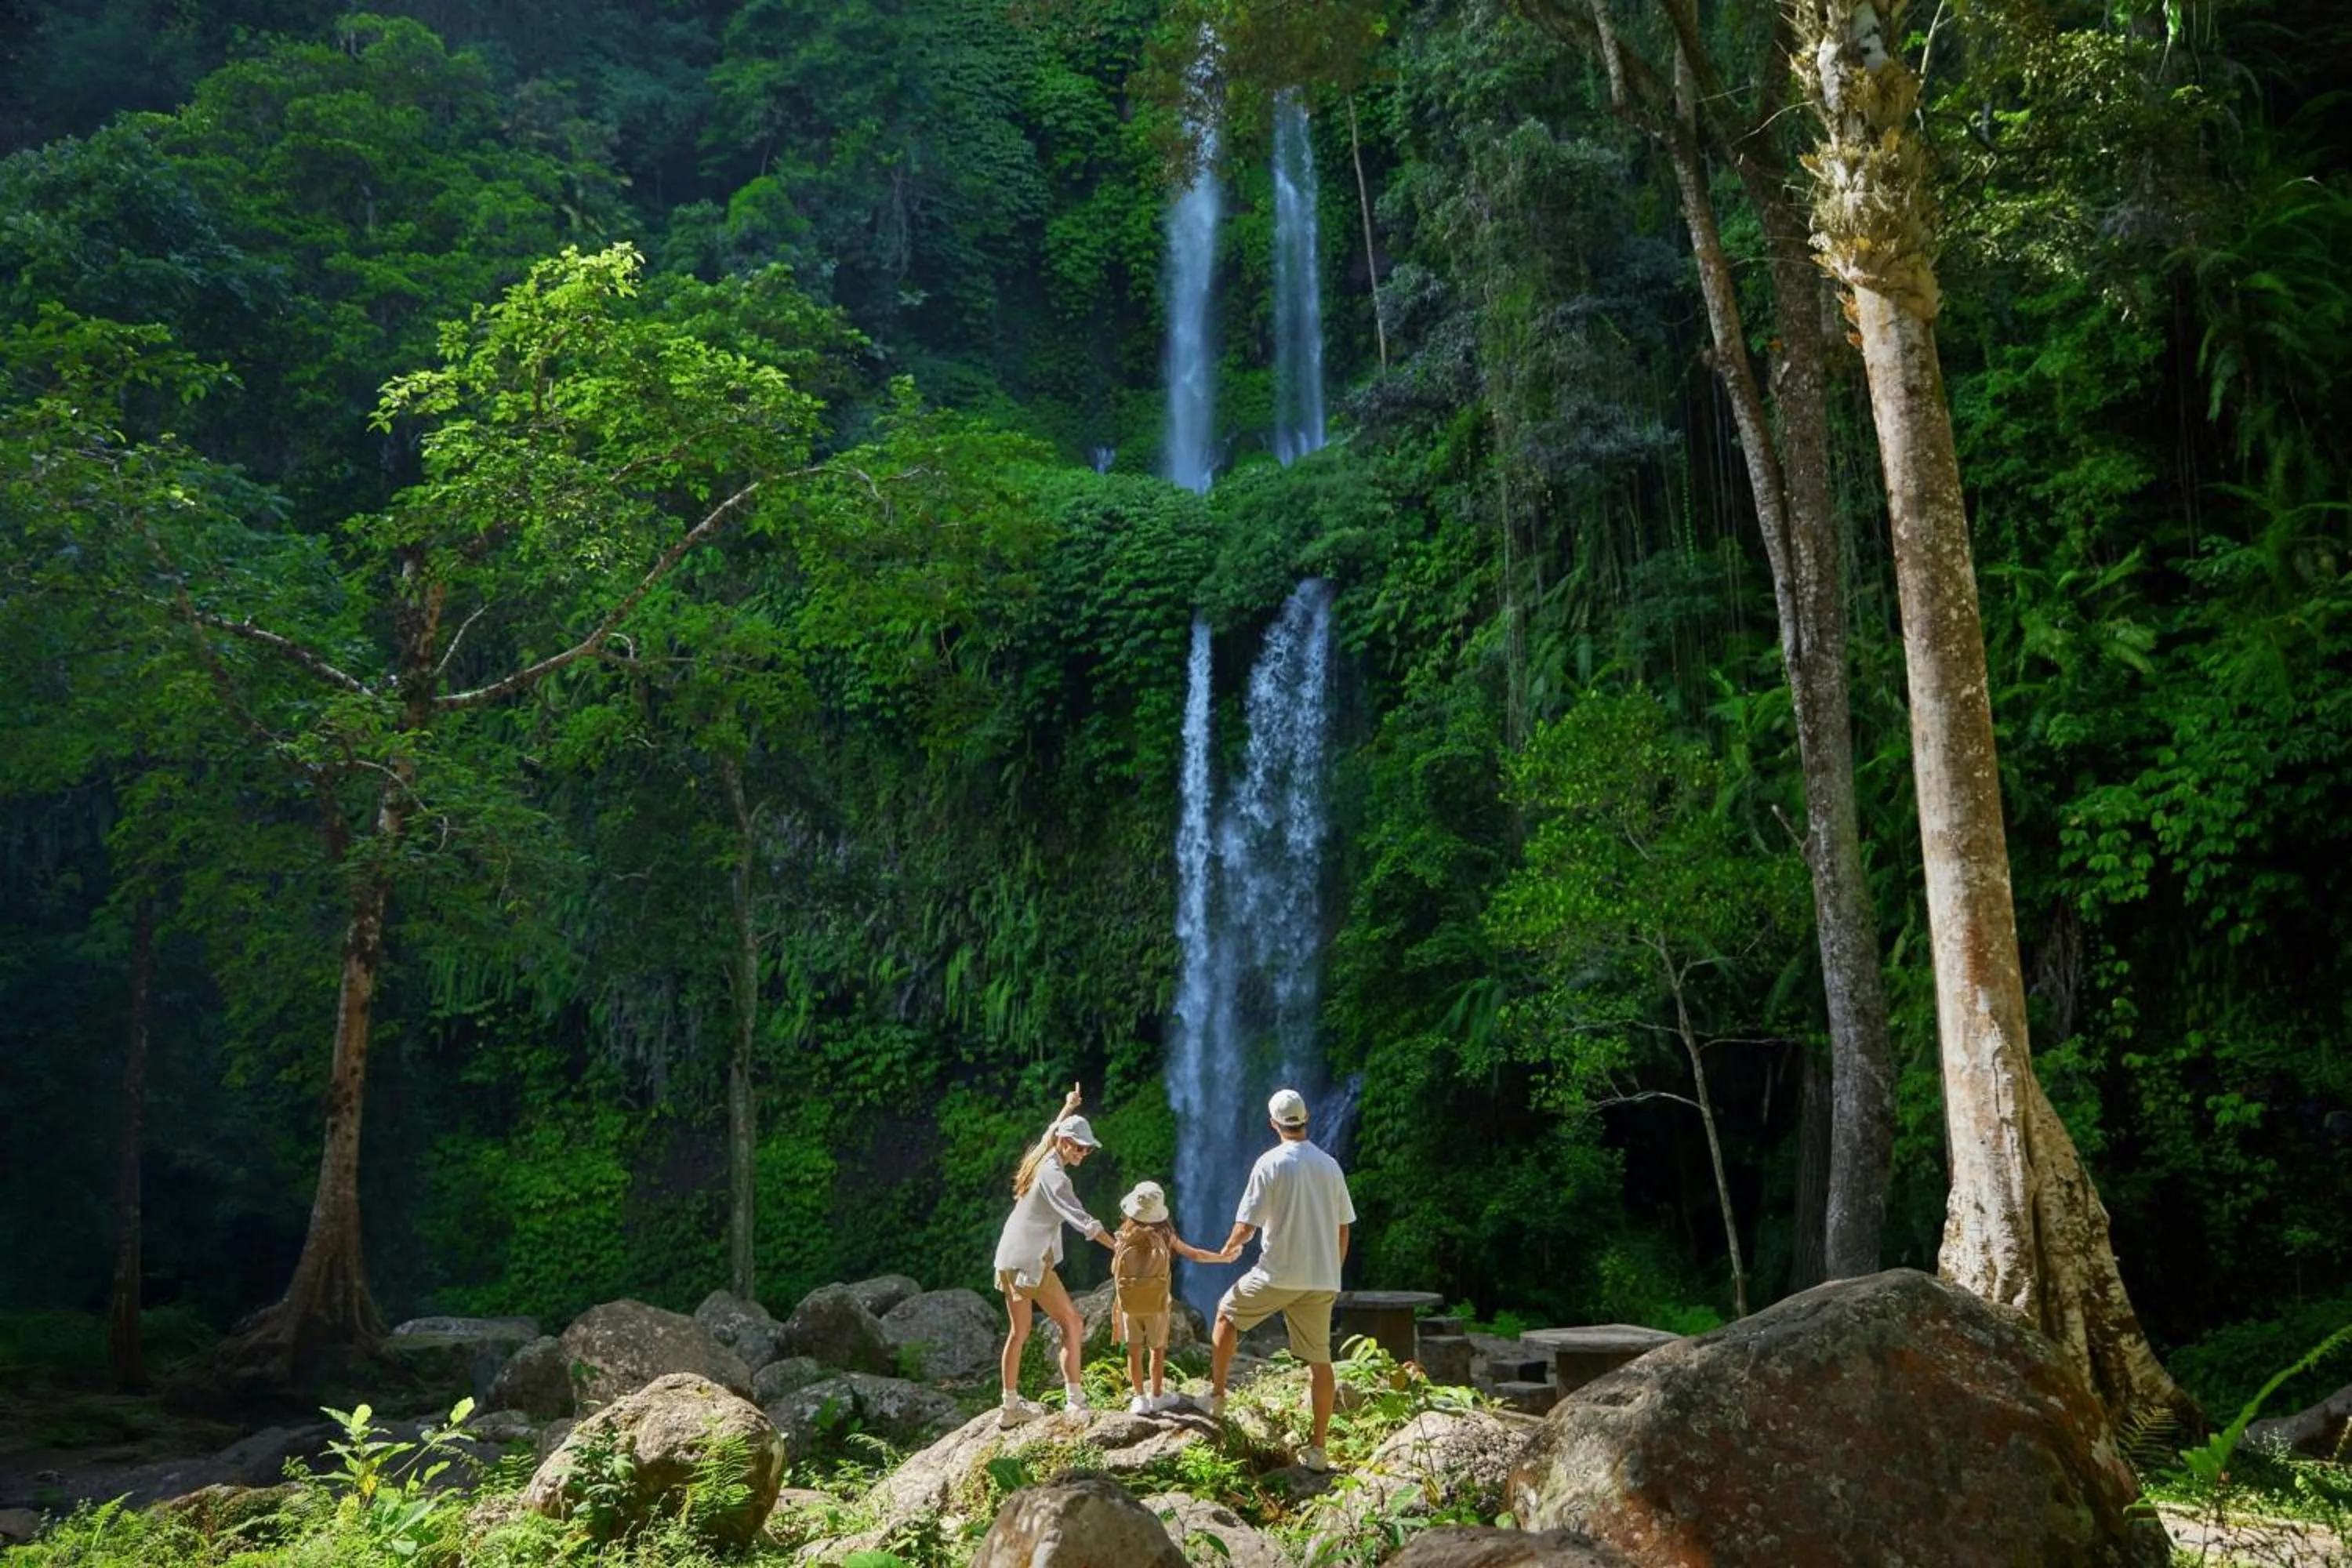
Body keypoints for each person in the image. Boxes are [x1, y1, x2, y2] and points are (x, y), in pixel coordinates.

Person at [1206, 1087, 1356, 1472]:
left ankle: (1217, 1399)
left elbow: (1247, 1224)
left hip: (1278, 1274)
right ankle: (1319, 1450)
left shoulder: (1270, 1163)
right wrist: (1332, 1271)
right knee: (1320, 1362)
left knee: (1226, 1315)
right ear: (1306, 1120)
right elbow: (1344, 1229)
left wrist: (1229, 1249)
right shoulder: (1330, 1165)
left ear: (1274, 1123)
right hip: (1321, 1278)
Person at [993, 1082, 1115, 1426]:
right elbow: (1084, 1222)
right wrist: (1118, 1247)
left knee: (1020, 1332)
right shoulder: (1055, 1177)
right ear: (1065, 1143)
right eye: (1078, 1147)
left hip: (1009, 1256)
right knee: (1072, 1324)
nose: (1081, 1154)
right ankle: (1075, 1401)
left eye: (1087, 1150)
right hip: (1030, 1261)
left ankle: (1009, 1408)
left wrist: (1069, 1106)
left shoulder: (1043, 1155)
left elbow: (1049, 1131)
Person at [1109, 1180, 1234, 1414]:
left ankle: (1139, 1398)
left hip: (1129, 1303)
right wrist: (1223, 1258)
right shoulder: (1166, 1235)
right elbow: (1195, 1255)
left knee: (1133, 1350)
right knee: (1157, 1350)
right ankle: (1157, 1395)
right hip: (1157, 1304)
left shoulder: (1122, 1235)